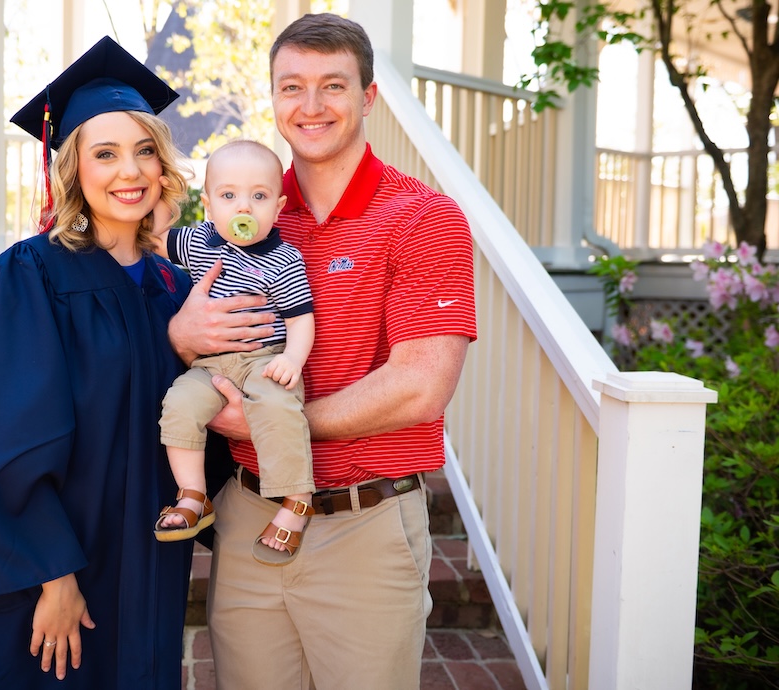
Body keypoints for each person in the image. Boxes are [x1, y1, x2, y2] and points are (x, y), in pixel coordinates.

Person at [168, 14, 477, 689]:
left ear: (368, 97)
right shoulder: (243, 210)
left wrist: (274, 428)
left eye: (333, 86)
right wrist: (181, 335)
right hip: (250, 513)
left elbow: (420, 385)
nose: (310, 107)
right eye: (292, 87)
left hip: (364, 524)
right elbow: (178, 316)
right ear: (274, 98)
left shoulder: (423, 218)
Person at [0, 36, 196, 689]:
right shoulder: (31, 273)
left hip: (147, 564)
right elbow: (8, 437)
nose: (130, 171)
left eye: (144, 151)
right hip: (47, 573)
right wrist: (54, 575)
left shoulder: (175, 290)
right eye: (105, 154)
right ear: (70, 168)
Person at [151, 140, 317, 567]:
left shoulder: (283, 259)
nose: (243, 208)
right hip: (211, 364)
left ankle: (296, 498)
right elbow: (153, 238)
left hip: (264, 358)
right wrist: (165, 197)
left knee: (277, 404)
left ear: (278, 207)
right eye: (228, 196)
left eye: (258, 197)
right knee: (180, 402)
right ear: (207, 204)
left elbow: (301, 319)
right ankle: (193, 494)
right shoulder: (198, 243)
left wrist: (292, 360)